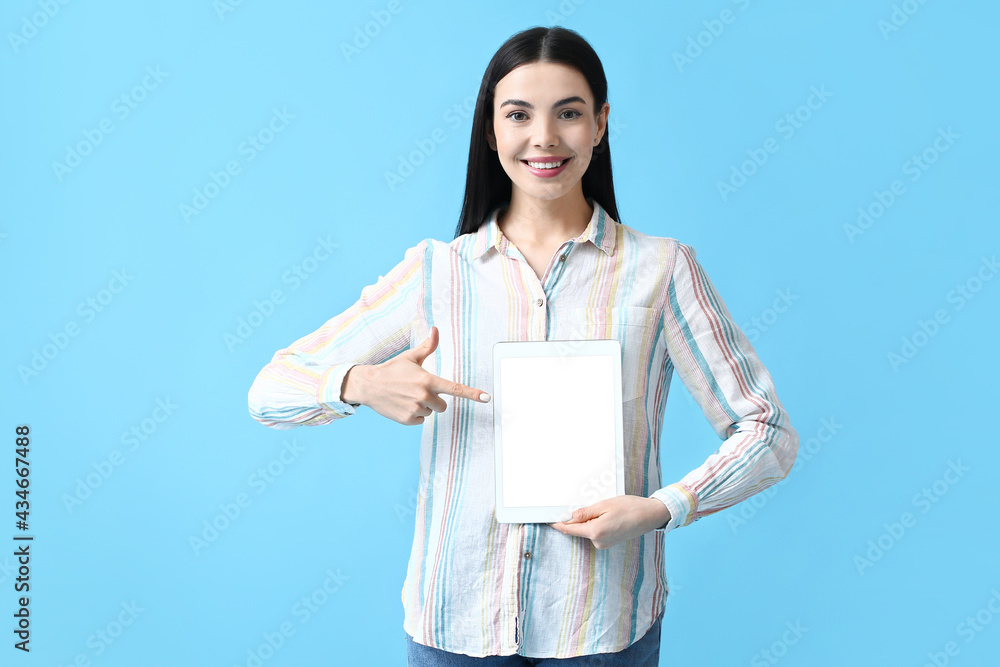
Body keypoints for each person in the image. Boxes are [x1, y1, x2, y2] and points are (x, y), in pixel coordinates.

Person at [248, 25, 798, 665]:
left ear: (600, 124)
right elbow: (270, 389)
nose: (544, 137)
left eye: (569, 113)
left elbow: (767, 431)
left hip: (601, 630)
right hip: (455, 629)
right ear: (491, 130)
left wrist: (660, 508)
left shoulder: (661, 270)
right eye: (519, 115)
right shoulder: (437, 273)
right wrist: (361, 384)